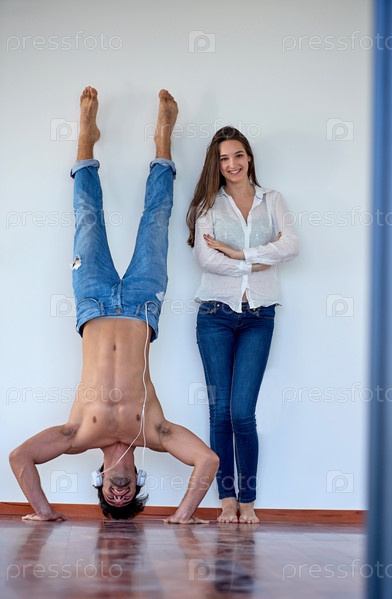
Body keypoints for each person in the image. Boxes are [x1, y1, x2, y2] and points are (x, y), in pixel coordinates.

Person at [9, 86, 219, 523]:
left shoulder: (76, 435)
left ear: (100, 481)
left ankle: (85, 141)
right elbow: (208, 461)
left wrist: (44, 511)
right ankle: (163, 142)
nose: (119, 493)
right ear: (138, 481)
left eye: (111, 497)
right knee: (156, 220)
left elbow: (19, 457)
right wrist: (183, 515)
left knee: (87, 218)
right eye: (128, 497)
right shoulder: (155, 432)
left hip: (93, 303)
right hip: (142, 305)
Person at [186, 127, 299, 523]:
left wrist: (238, 253)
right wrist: (258, 261)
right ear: (216, 165)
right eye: (223, 159)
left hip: (259, 316)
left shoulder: (273, 200)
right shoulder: (208, 205)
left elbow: (292, 246)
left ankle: (247, 500)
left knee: (242, 413)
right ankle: (227, 500)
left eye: (238, 155)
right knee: (220, 413)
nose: (232, 164)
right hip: (214, 316)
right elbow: (206, 259)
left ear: (249, 156)